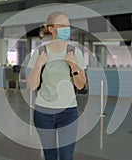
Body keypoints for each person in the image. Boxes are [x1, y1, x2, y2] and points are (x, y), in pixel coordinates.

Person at [27, 11, 87, 160]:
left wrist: (73, 66)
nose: (66, 28)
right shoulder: (40, 52)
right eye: (62, 25)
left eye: (68, 25)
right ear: (51, 28)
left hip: (68, 112)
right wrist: (39, 65)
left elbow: (80, 85)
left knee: (67, 156)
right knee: (50, 156)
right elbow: (32, 85)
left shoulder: (74, 52)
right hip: (43, 112)